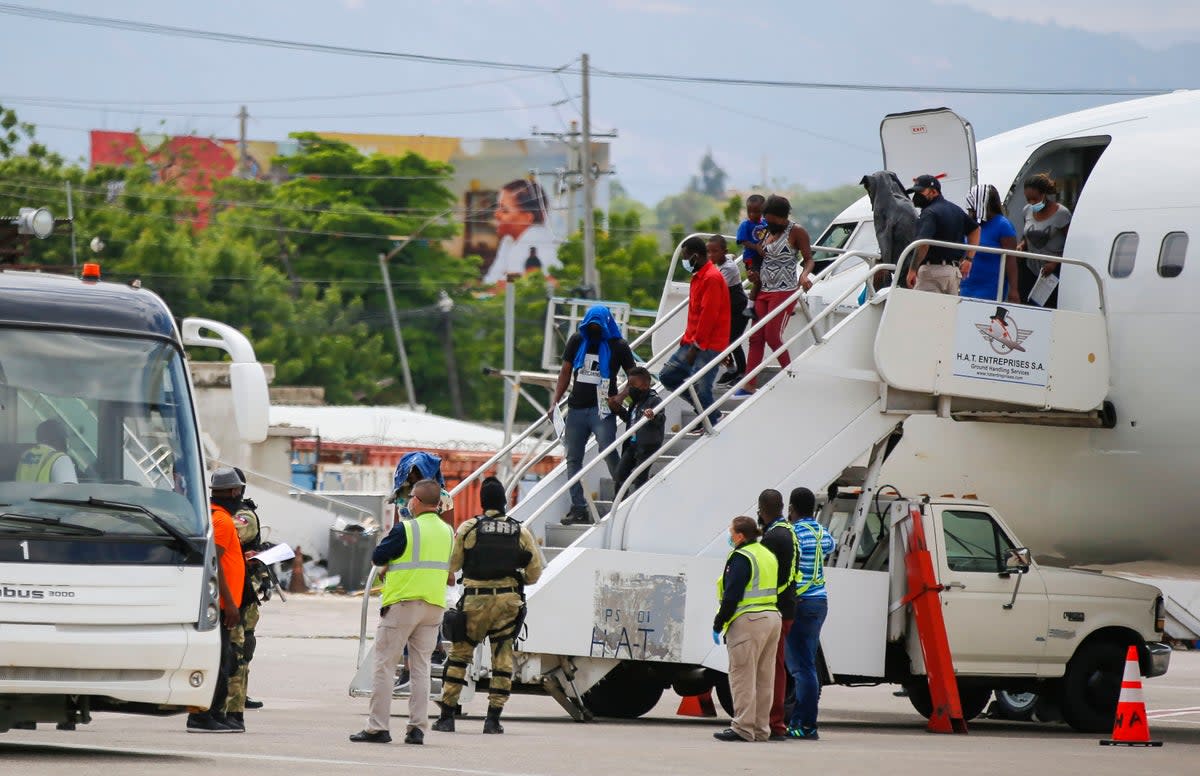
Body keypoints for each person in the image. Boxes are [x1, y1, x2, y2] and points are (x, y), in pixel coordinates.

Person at [432, 477, 542, 735]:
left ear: (482, 503)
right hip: (507, 602)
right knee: (502, 660)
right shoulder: (520, 530)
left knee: (459, 657)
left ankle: (447, 717)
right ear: (504, 502)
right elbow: (534, 572)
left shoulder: (469, 528)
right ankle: (493, 720)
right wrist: (517, 581)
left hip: (475, 602)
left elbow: (454, 565)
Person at [351, 479, 454, 745]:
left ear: (416, 501)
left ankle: (378, 727)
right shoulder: (447, 532)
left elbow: (378, 556)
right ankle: (417, 728)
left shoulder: (406, 528)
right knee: (421, 669)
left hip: (403, 605)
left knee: (384, 666)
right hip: (433, 608)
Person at [552, 305, 636, 525]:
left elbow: (635, 376)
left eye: (598, 327)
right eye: (590, 326)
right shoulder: (578, 340)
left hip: (603, 408)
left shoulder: (618, 345)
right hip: (577, 408)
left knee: (607, 450)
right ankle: (578, 507)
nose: (594, 331)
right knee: (572, 458)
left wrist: (620, 397)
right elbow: (565, 371)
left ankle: (623, 491)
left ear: (607, 324)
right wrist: (555, 400)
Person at [712, 515, 781, 743]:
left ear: (740, 536)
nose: (729, 537)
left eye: (731, 532)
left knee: (743, 675)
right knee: (764, 677)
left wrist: (719, 621)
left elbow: (732, 595)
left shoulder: (742, 557)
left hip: (748, 620)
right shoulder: (766, 554)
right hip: (772, 618)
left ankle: (742, 727)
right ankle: (761, 729)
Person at [187, 468, 245, 734]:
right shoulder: (221, 521)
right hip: (222, 605)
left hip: (218, 603)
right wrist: (230, 603)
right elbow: (215, 563)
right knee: (221, 662)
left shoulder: (208, 516)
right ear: (235, 491)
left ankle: (212, 714)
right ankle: (202, 717)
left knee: (222, 661)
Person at [738, 195, 814, 395]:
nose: (769, 223)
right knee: (756, 338)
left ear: (783, 217)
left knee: (773, 336)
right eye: (767, 219)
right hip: (763, 289)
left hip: (784, 290)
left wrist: (804, 276)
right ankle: (749, 384)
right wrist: (753, 272)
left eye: (773, 220)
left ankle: (791, 376)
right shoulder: (767, 232)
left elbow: (808, 259)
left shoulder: (796, 231)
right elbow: (760, 256)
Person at [659, 236, 730, 426]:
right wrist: (689, 341)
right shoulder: (698, 276)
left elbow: (709, 315)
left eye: (686, 257)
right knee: (667, 376)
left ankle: (712, 417)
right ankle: (705, 411)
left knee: (702, 387)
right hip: (691, 341)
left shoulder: (712, 278)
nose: (685, 261)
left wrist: (696, 346)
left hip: (707, 344)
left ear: (695, 256)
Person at [785, 486, 835, 740]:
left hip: (801, 602)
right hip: (819, 602)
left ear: (791, 508)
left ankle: (805, 725)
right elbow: (831, 545)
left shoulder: (793, 533)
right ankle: (802, 722)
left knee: (801, 669)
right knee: (808, 666)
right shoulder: (820, 532)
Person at [224, 468, 269, 726]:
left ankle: (238, 697)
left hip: (244, 588)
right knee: (232, 647)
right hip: (226, 586)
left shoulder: (244, 514)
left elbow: (232, 534)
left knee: (242, 646)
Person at [757, 489, 798, 741]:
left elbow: (769, 576)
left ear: (761, 509)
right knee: (776, 665)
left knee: (771, 667)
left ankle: (773, 721)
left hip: (777, 608)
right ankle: (774, 720)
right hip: (788, 606)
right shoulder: (789, 531)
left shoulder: (773, 538)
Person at [904, 174, 980, 295]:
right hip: (953, 273)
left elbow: (923, 244)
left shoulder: (929, 213)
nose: (916, 196)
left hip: (931, 273)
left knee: (920, 312)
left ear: (934, 192)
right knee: (947, 312)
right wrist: (969, 259)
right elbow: (975, 230)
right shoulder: (956, 209)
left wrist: (912, 269)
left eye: (920, 192)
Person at [485, 178, 560, 284]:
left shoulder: (537, 241)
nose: (496, 214)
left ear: (527, 218)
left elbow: (512, 286)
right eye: (498, 207)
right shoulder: (509, 239)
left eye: (505, 210)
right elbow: (491, 281)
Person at [1015, 172, 1072, 309]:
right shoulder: (1027, 211)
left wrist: (1054, 262)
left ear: (1044, 194)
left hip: (1051, 272)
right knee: (1027, 304)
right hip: (1031, 268)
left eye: (1035, 199)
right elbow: (1027, 235)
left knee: (1048, 307)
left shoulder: (1062, 214)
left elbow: (1071, 244)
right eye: (1028, 199)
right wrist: (1022, 244)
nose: (1032, 203)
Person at [960, 184, 1019, 303]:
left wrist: (1014, 290)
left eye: (972, 208)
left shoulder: (1003, 225)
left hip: (990, 288)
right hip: (966, 286)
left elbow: (1011, 260)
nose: (970, 211)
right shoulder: (971, 224)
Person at [610, 366, 665, 498]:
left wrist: (653, 416)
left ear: (645, 384)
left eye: (633, 385)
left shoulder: (654, 400)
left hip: (647, 445)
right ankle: (619, 502)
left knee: (640, 477)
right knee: (619, 474)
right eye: (629, 384)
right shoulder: (635, 403)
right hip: (632, 444)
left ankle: (637, 501)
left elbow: (661, 419)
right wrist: (617, 409)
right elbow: (631, 420)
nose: (630, 388)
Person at [711, 235, 749, 386]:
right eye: (709, 252)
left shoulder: (728, 268)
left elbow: (717, 288)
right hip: (728, 308)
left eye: (715, 252)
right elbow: (731, 255)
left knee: (733, 340)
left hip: (738, 306)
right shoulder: (724, 260)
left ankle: (742, 371)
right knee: (722, 340)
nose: (711, 255)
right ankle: (732, 369)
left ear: (723, 251)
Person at [390, 451, 455, 529]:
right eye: (410, 473)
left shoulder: (443, 497)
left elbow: (448, 531)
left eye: (418, 473)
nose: (412, 475)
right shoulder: (401, 494)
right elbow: (396, 527)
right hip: (405, 539)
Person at [15, 419, 78, 483]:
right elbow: (69, 491)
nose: (67, 445)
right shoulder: (60, 459)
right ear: (59, 440)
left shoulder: (26, 455)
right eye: (65, 439)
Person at [736, 194, 767, 318]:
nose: (752, 214)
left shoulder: (765, 223)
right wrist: (757, 248)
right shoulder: (745, 225)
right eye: (750, 211)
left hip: (763, 257)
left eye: (756, 211)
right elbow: (742, 240)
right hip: (751, 257)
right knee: (757, 280)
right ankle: (749, 307)